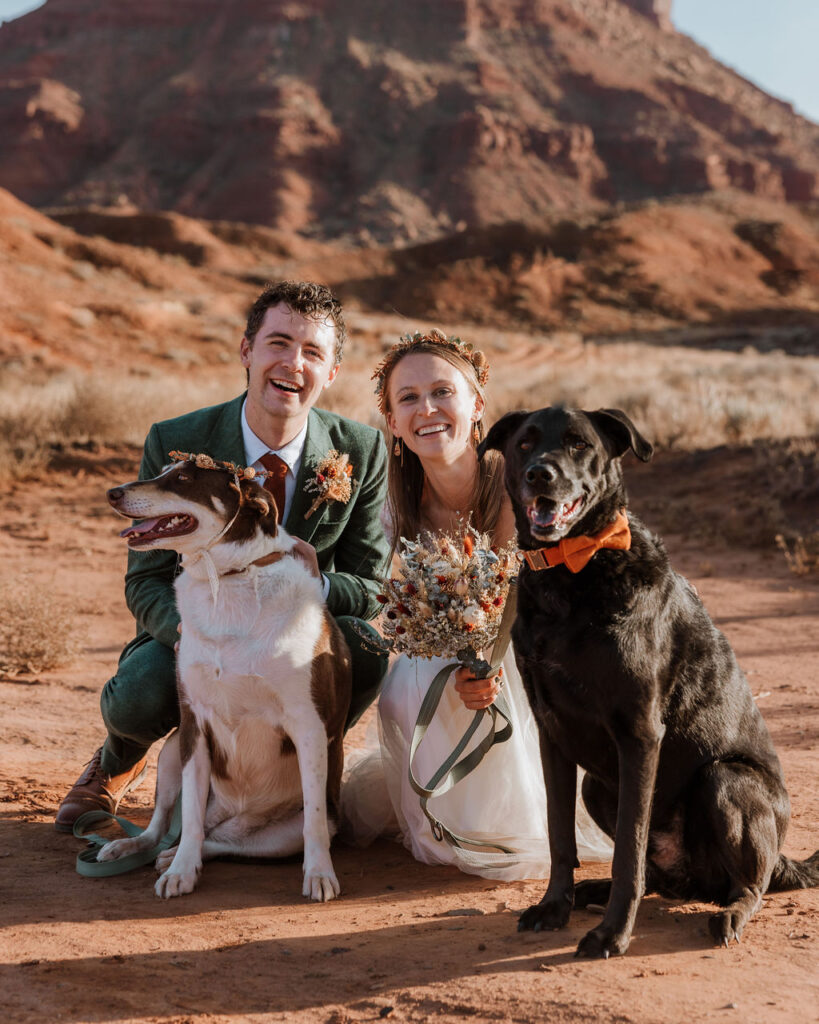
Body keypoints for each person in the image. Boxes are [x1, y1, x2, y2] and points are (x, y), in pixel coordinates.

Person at [55, 280, 391, 832]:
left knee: (368, 647)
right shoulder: (179, 438)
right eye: (278, 343)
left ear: (331, 373)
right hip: (203, 628)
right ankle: (119, 762)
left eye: (313, 352)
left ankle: (283, 784)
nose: (293, 364)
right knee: (139, 695)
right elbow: (146, 580)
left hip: (292, 642)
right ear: (247, 351)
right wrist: (191, 633)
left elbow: (372, 585)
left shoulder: (361, 450)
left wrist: (318, 582)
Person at [341, 329, 610, 879]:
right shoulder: (393, 496)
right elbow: (370, 579)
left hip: (532, 641)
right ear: (391, 421)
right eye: (408, 398)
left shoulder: (512, 480)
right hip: (458, 637)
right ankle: (444, 809)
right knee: (407, 682)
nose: (427, 409)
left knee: (489, 686)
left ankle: (510, 820)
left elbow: (516, 587)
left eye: (443, 392)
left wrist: (481, 665)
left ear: (477, 404)